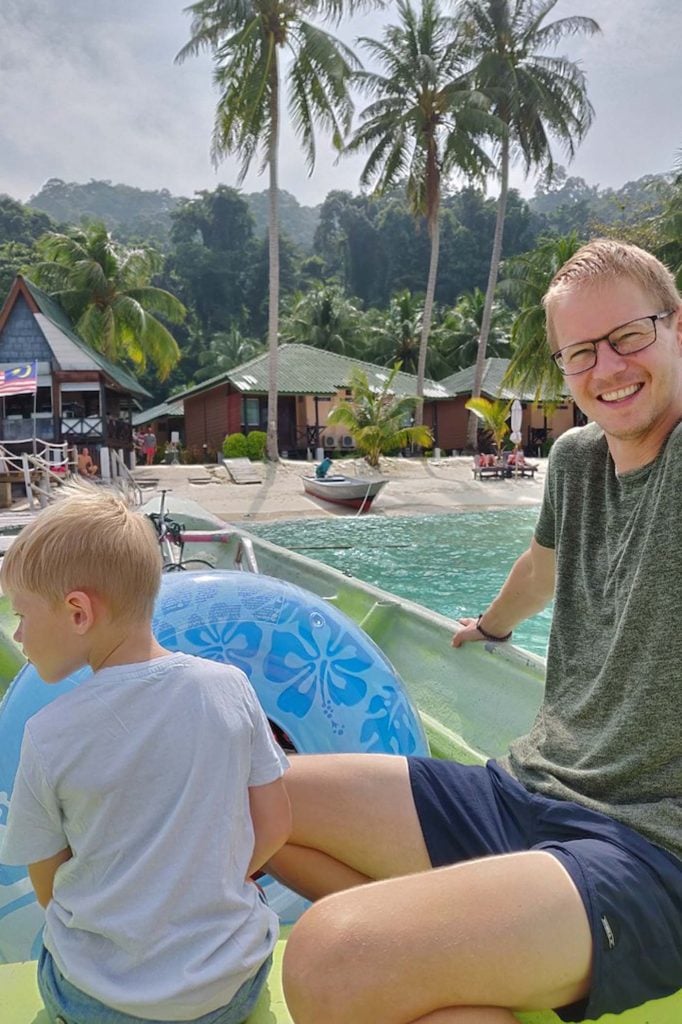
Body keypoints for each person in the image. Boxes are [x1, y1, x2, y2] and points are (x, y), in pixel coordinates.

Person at [268, 239, 682, 1024]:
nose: (609, 369)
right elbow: (542, 562)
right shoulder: (576, 459)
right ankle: (453, 966)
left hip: (650, 846)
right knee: (252, 795)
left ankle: (430, 959)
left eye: (631, 336)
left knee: (328, 960)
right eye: (581, 353)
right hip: (525, 787)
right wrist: (489, 626)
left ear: (677, 327)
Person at [0, 487, 291, 1024]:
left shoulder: (48, 734)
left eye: (21, 615)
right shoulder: (230, 687)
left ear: (78, 611)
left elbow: (47, 886)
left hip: (99, 1004)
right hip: (228, 991)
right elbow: (274, 825)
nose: (18, 635)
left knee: (58, 941)